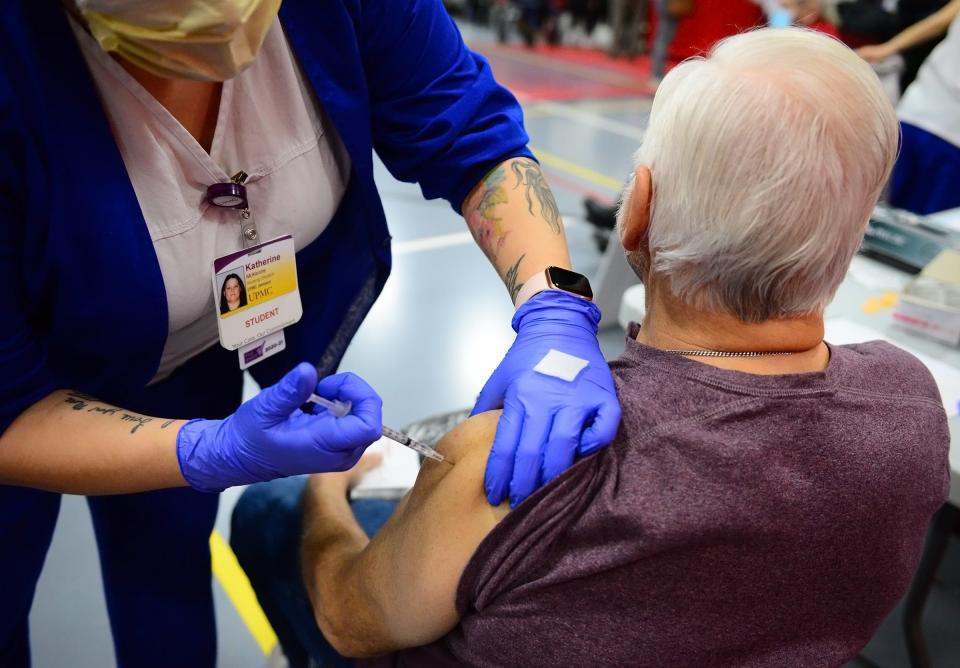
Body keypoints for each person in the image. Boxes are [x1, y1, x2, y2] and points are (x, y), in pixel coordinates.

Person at [231, 27, 950, 668]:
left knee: (273, 509)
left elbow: (353, 622)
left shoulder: (521, 456)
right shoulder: (910, 405)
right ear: (852, 235)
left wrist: (327, 490)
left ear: (636, 211)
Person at [0, 1, 622, 665]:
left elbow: (475, 137)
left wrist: (553, 304)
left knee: (165, 564)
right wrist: (211, 450)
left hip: (188, 355)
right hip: (23, 399)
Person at [858, 0, 960, 215]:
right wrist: (886, 49)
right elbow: (940, 21)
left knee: (930, 226)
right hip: (921, 109)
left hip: (947, 132)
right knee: (877, 208)